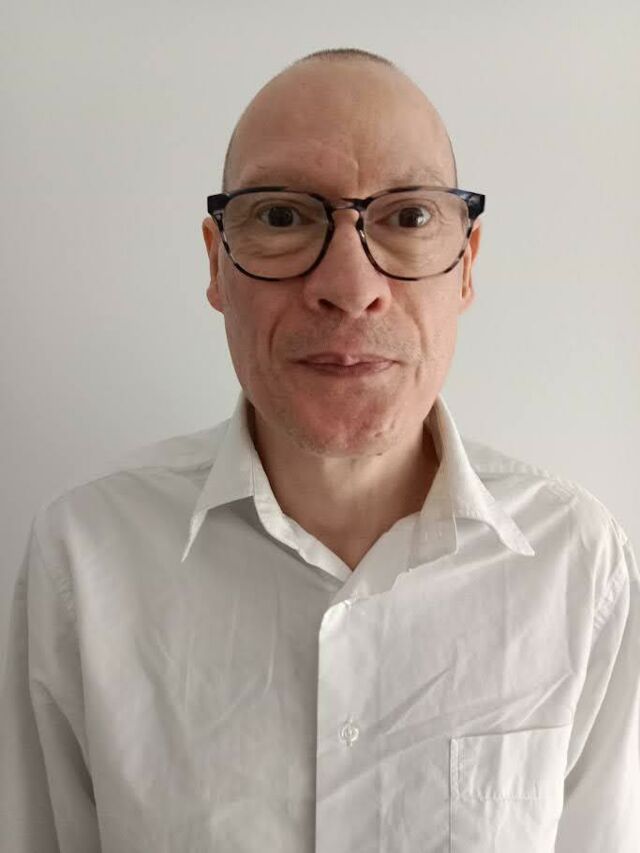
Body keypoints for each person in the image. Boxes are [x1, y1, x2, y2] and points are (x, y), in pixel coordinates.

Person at [0, 47, 638, 853]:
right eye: (281, 217)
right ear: (216, 262)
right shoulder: (84, 560)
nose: (348, 286)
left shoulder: (579, 567)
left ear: (466, 266)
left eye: (408, 218)